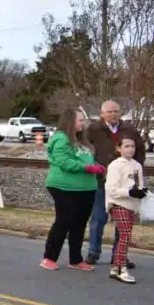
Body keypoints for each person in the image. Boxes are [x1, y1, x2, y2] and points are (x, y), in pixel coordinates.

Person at [40, 108, 103, 271]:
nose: (83, 123)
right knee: (63, 221)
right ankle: (49, 257)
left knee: (79, 224)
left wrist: (96, 166)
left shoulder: (82, 141)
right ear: (70, 121)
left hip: (87, 187)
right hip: (64, 186)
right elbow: (64, 161)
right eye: (80, 120)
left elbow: (86, 158)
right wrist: (87, 168)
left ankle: (75, 259)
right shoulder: (61, 138)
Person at [85, 100, 144, 268]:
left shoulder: (129, 129)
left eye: (116, 111)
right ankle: (93, 252)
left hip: (125, 184)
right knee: (98, 219)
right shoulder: (93, 129)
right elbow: (85, 150)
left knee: (123, 222)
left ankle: (119, 255)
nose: (113, 115)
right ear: (102, 113)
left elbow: (140, 151)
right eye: (109, 112)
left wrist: (134, 172)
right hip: (101, 181)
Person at [104, 137, 145, 284]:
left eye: (133, 146)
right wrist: (129, 192)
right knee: (125, 236)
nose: (130, 149)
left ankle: (115, 268)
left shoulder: (137, 165)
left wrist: (141, 192)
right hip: (118, 203)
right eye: (127, 146)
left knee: (125, 236)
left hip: (131, 205)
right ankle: (122, 268)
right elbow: (111, 189)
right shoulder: (115, 165)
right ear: (119, 148)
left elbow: (140, 185)